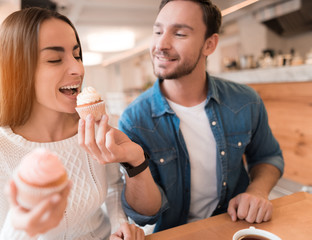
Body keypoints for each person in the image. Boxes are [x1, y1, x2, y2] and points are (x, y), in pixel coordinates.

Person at [0, 7, 145, 239]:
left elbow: (113, 186)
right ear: (18, 70)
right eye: (54, 59)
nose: (78, 69)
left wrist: (120, 225)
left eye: (77, 55)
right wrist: (23, 224)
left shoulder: (91, 125)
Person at [118, 0, 284, 233]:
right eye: (157, 31)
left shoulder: (245, 101)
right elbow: (145, 215)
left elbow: (269, 156)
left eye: (179, 33)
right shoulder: (135, 120)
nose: (161, 44)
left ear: (209, 44)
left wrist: (257, 191)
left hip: (236, 228)